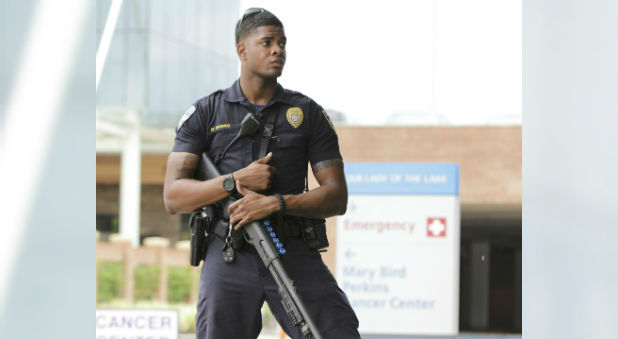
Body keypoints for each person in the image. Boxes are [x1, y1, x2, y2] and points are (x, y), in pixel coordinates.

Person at [163, 8, 360, 339]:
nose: (277, 50)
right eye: (267, 42)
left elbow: (336, 196)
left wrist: (277, 204)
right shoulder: (206, 113)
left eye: (282, 43)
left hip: (292, 248)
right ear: (242, 50)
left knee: (337, 331)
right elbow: (173, 196)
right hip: (229, 256)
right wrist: (233, 181)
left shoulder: (307, 113)